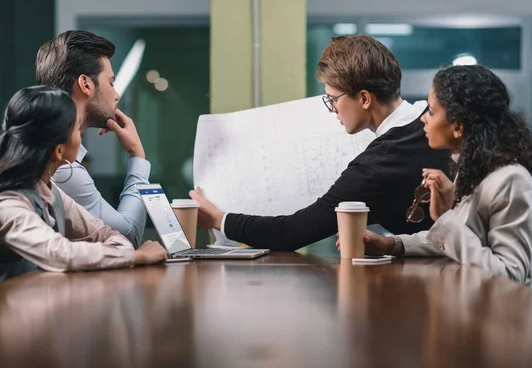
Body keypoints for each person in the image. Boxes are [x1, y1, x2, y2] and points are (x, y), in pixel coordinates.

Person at [190, 35, 451, 251]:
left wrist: (219, 219)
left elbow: (291, 233)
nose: (332, 110)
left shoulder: (376, 166)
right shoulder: (430, 119)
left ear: (363, 98)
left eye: (333, 99)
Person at [0, 86, 167, 296]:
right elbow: (59, 253)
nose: (81, 137)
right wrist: (137, 257)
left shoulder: (51, 193)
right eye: (77, 128)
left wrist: (123, 253)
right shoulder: (7, 203)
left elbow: (110, 236)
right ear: (59, 150)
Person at [359, 65, 532, 290]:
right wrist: (390, 244)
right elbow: (454, 242)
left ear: (457, 126)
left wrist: (446, 218)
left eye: (432, 111)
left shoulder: (511, 181)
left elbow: (509, 277)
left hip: (502, 322)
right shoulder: (474, 172)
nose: (423, 119)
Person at [36, 30, 150, 248]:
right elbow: (128, 238)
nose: (116, 94)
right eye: (111, 82)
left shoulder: (47, 152)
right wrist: (137, 156)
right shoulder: (63, 169)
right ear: (86, 84)